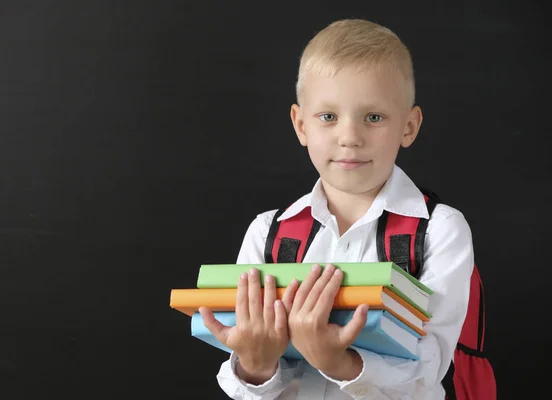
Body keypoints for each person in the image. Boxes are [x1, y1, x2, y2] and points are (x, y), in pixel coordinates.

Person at [199, 18, 474, 399]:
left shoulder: (440, 230)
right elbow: (245, 382)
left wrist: (338, 361)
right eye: (328, 117)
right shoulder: (268, 233)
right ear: (300, 125)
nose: (350, 137)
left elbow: (430, 369)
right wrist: (255, 365)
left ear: (409, 127)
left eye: (373, 117)